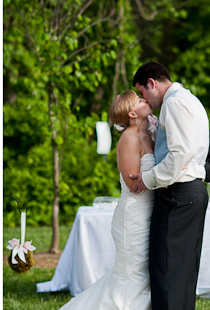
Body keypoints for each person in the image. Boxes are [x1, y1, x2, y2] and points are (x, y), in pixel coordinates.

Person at [60, 90, 155, 309]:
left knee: (141, 274)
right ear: (132, 113)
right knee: (132, 274)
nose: (145, 100)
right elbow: (134, 185)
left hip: (149, 212)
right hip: (134, 216)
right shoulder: (130, 138)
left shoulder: (148, 133)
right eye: (140, 100)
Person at [128, 61, 210, 310]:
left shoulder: (173, 103)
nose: (145, 100)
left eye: (142, 93)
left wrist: (147, 179)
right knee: (182, 272)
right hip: (192, 191)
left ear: (152, 83)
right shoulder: (189, 99)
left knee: (165, 269)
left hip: (178, 194)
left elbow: (178, 154)